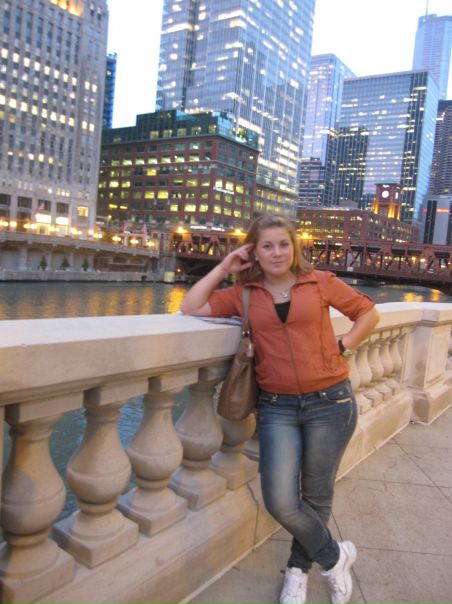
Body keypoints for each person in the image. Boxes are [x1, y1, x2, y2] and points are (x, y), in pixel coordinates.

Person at [180, 214, 380, 604]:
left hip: (330, 402)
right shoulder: (245, 293)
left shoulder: (320, 281)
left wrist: (343, 347)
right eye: (267, 246)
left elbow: (368, 313)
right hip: (276, 407)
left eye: (284, 244)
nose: (277, 252)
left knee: (316, 495)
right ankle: (335, 557)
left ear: (295, 247)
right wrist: (223, 267)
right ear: (253, 251)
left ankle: (298, 571)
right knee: (280, 500)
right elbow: (192, 305)